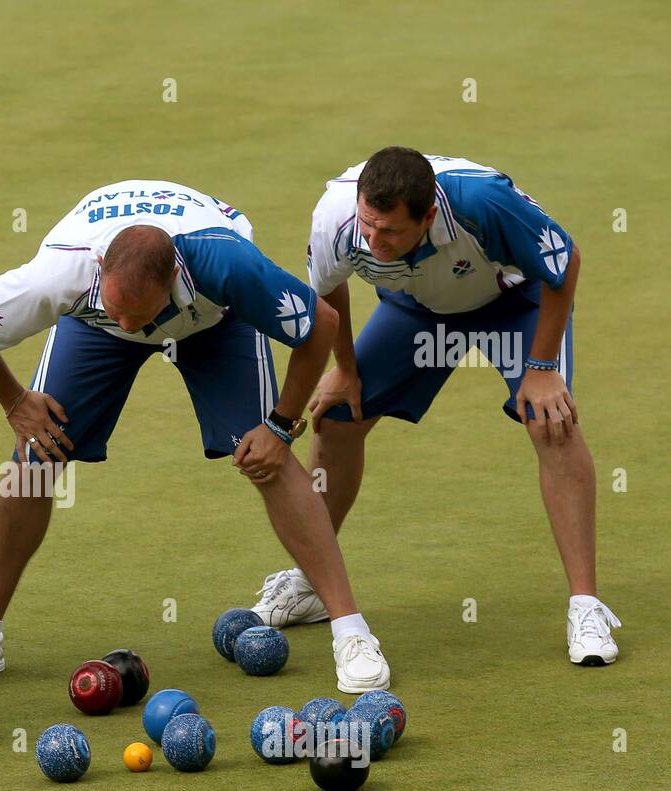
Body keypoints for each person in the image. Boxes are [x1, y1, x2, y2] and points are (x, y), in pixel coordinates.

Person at [0, 179, 392, 696]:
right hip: (93, 331)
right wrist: (16, 402)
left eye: (141, 314)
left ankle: (351, 634)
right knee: (33, 461)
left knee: (270, 460)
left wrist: (280, 425)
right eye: (119, 308)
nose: (131, 324)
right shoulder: (60, 275)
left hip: (212, 321)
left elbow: (321, 324)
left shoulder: (227, 266)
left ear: (174, 275)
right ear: (100, 271)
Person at [254, 147, 620, 665]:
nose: (373, 243)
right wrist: (347, 368)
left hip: (516, 302)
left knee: (550, 421)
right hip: (420, 310)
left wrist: (540, 371)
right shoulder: (335, 217)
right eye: (368, 227)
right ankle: (313, 583)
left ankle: (587, 607)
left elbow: (565, 261)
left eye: (390, 233)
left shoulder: (483, 203)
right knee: (337, 418)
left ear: (427, 216)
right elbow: (328, 290)